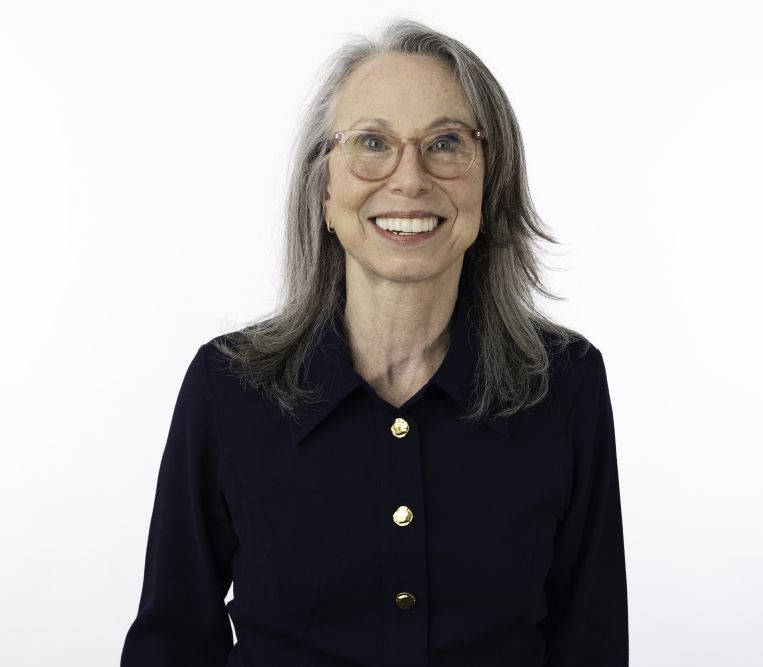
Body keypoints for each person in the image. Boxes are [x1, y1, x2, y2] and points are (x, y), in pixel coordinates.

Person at [120, 18, 628, 667]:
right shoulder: (227, 387)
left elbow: (591, 643)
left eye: (446, 142)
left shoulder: (565, 385)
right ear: (324, 193)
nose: (410, 179)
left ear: (490, 183)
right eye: (371, 142)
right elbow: (171, 645)